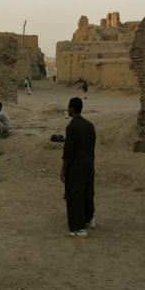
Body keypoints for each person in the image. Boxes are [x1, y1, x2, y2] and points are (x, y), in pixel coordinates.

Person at [61, 97, 96, 238]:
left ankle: (79, 229)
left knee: (75, 196)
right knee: (88, 193)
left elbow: (68, 153)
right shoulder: (90, 125)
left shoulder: (72, 127)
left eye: (69, 107)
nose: (68, 109)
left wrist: (63, 169)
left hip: (76, 168)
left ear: (72, 108)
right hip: (88, 166)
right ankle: (89, 219)